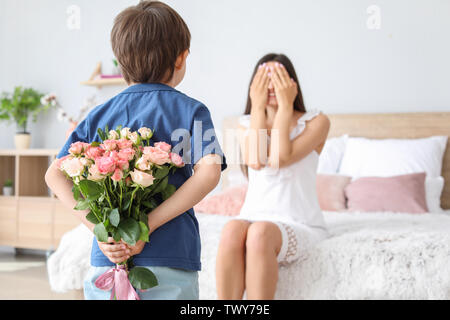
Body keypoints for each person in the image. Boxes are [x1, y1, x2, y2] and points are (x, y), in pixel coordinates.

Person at [45, 0, 226, 300]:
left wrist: (101, 231)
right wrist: (146, 226)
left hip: (108, 261)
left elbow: (54, 175)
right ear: (181, 58)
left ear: (119, 60)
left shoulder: (98, 115)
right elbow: (209, 172)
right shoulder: (192, 111)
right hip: (170, 259)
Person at [216, 53, 330, 300]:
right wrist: (257, 107)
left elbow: (280, 158)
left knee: (260, 233)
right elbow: (256, 161)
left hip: (300, 221)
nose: (269, 86)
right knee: (232, 229)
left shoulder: (317, 121)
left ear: (291, 84)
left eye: (276, 77)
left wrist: (285, 106)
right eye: (263, 79)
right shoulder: (246, 124)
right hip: (254, 216)